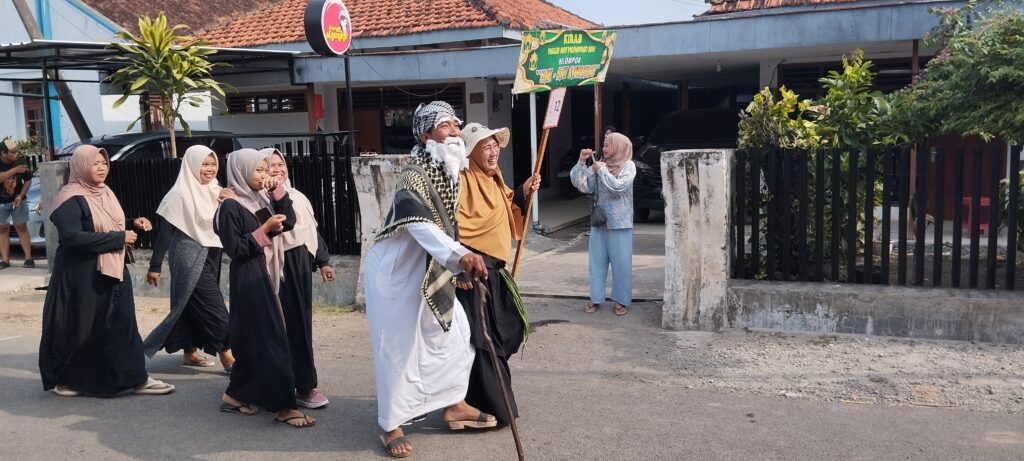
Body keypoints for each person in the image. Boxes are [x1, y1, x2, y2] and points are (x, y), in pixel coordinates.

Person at [364, 101, 494, 459]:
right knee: (398, 350)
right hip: (395, 278)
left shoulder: (446, 170)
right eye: (446, 126)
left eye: (456, 125)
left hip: (426, 271)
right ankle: (390, 423)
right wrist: (459, 257)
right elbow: (421, 227)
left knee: (455, 335)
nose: (455, 132)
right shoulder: (414, 174)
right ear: (425, 135)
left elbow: (443, 228)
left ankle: (453, 404)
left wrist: (455, 267)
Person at [39, 144, 174, 397]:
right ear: (80, 166)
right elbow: (71, 237)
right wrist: (117, 238)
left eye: (104, 163)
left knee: (122, 323)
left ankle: (136, 377)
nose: (101, 168)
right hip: (82, 275)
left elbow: (103, 222)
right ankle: (70, 379)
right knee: (83, 328)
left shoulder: (104, 192)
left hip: (112, 269)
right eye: (95, 164)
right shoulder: (68, 198)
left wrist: (133, 221)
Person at [214, 148, 315, 428]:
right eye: (257, 170)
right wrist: (265, 230)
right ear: (241, 171)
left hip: (267, 272)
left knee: (253, 340)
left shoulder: (260, 198)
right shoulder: (230, 206)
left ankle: (235, 395)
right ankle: (284, 407)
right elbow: (235, 249)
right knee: (272, 341)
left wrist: (278, 192)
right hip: (249, 276)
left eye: (264, 169)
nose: (263, 175)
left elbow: (289, 222)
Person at [454, 123, 538, 426]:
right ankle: (485, 406)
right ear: (472, 152)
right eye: (485, 147)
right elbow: (452, 227)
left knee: (505, 331)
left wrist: (524, 193)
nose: (492, 152)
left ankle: (482, 403)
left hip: (495, 273)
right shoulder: (462, 181)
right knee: (483, 340)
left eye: (494, 146)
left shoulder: (494, 179)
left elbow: (507, 208)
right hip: (473, 273)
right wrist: (457, 269)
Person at [143, 145, 236, 372]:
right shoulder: (180, 193)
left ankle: (189, 351)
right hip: (188, 254)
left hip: (212, 252)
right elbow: (166, 232)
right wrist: (155, 265)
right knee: (213, 305)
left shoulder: (218, 190)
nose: (210, 169)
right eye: (204, 164)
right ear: (192, 165)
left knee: (190, 303)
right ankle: (229, 357)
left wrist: (229, 201)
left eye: (213, 164)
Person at [263, 148, 335, 409]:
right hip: (281, 266)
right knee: (287, 326)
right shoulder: (262, 199)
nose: (277, 169)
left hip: (302, 264)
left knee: (301, 325)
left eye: (280, 164)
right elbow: (287, 225)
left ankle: (303, 382)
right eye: (269, 165)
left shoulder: (298, 196)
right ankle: (303, 386)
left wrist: (323, 261)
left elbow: (312, 231)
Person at [571, 132, 636, 316]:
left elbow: (618, 188)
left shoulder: (628, 166)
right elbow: (583, 185)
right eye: (604, 145)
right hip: (599, 222)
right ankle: (595, 298)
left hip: (620, 223)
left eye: (607, 145)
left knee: (622, 264)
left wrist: (602, 171)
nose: (604, 148)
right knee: (596, 263)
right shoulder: (600, 165)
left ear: (618, 147)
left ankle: (621, 300)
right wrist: (582, 162)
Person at [0, 138, 35, 269]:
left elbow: (28, 180)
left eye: (17, 152)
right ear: (3, 153)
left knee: (21, 227)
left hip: (19, 200)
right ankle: (5, 260)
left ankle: (28, 258)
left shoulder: (21, 160)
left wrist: (20, 195)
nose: (16, 154)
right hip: (0, 202)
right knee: (2, 229)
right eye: (12, 152)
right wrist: (15, 170)